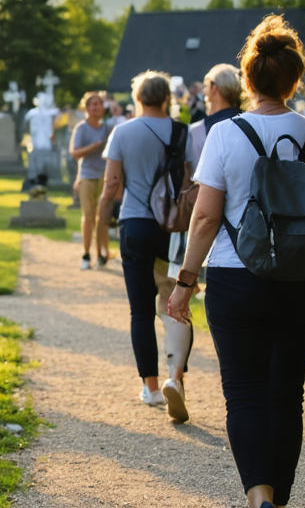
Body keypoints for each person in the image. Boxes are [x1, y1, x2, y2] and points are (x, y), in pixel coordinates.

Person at [167, 15, 305, 508]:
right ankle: (280, 497)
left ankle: (259, 496)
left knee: (243, 392)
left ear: (246, 79)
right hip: (304, 281)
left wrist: (185, 281)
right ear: (295, 79)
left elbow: (203, 219)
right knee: (288, 393)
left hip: (234, 276)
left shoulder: (226, 135)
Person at [99, 71, 193, 420]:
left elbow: (111, 182)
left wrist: (101, 215)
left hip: (136, 222)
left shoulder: (122, 131)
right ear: (168, 97)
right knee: (175, 304)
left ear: (138, 97)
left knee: (140, 309)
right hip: (172, 227)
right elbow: (190, 180)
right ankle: (176, 379)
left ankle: (151, 387)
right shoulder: (183, 132)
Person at [70, 92, 112, 269]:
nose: (95, 108)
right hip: (87, 175)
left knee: (103, 217)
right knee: (88, 215)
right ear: (86, 108)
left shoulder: (107, 129)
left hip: (104, 175)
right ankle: (86, 253)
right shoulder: (81, 128)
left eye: (98, 104)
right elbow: (75, 152)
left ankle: (102, 251)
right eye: (92, 105)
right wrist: (93, 147)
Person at [187, 64, 244, 173]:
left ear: (214, 88)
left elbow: (196, 177)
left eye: (205, 86)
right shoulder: (249, 123)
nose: (203, 93)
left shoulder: (197, 131)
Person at [23, 95, 59, 189]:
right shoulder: (33, 113)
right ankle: (34, 179)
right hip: (36, 142)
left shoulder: (49, 113)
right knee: (35, 163)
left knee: (43, 161)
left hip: (46, 142)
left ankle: (42, 179)